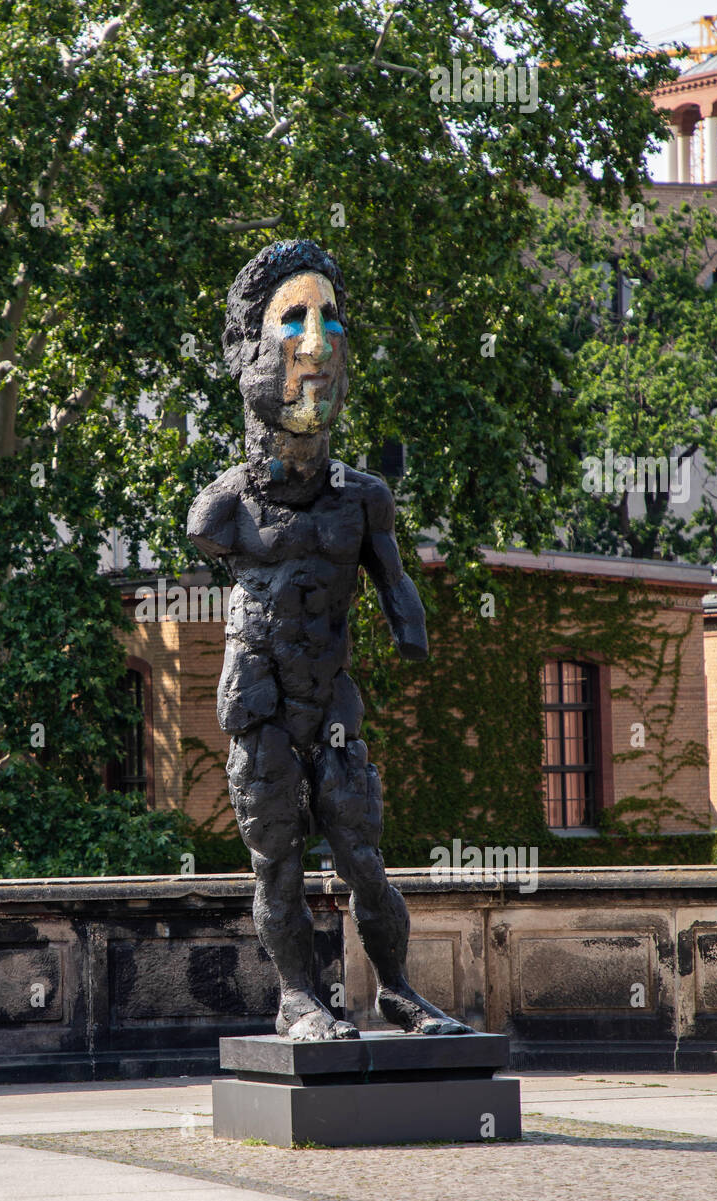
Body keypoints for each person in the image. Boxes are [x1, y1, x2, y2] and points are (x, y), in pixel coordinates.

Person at [187, 238, 472, 1040]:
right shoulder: (223, 509)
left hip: (332, 696)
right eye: (294, 320)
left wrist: (408, 623)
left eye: (329, 317)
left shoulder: (363, 499)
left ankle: (397, 990)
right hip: (263, 697)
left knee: (362, 854)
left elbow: (394, 579)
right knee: (276, 857)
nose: (317, 337)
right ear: (251, 350)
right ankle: (298, 998)